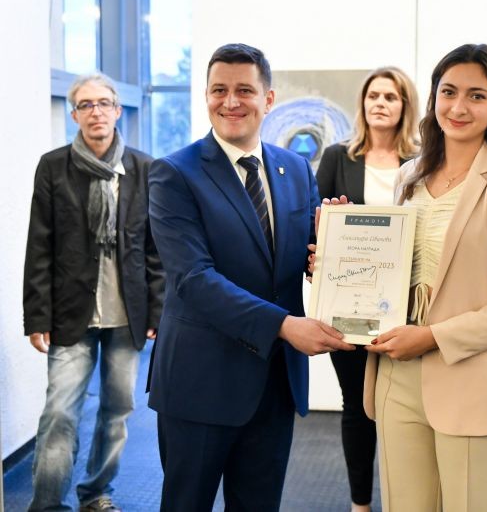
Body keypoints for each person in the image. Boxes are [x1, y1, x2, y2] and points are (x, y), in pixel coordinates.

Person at [147, 43, 353, 511]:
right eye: (219, 90)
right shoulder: (174, 173)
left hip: (274, 382)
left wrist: (334, 247)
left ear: (268, 98)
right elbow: (193, 279)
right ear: (206, 96)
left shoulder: (295, 168)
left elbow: (304, 254)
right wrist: (284, 325)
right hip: (200, 382)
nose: (230, 102)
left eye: (244, 90)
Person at [362, 43, 487, 511]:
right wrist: (339, 263)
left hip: (474, 380)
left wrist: (432, 337)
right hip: (397, 376)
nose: (458, 107)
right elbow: (396, 273)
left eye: (476, 95)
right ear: (433, 97)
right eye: (448, 92)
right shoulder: (408, 178)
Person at [23, 72, 165, 512]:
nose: (96, 112)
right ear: (74, 115)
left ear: (118, 110)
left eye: (104, 103)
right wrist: (36, 315)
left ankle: (96, 493)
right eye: (86, 105)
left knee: (117, 412)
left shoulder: (144, 168)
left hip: (127, 314)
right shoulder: (54, 166)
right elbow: (40, 244)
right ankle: (47, 504)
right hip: (70, 313)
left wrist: (157, 310)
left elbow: (154, 248)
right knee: (59, 413)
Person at [315, 66, 419, 512]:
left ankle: (405, 501)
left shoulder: (423, 161)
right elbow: (316, 225)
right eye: (373, 95)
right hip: (349, 305)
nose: (380, 103)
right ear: (363, 103)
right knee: (357, 407)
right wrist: (318, 253)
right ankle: (360, 504)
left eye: (390, 97)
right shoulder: (338, 157)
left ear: (404, 105)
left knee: (403, 411)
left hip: (408, 309)